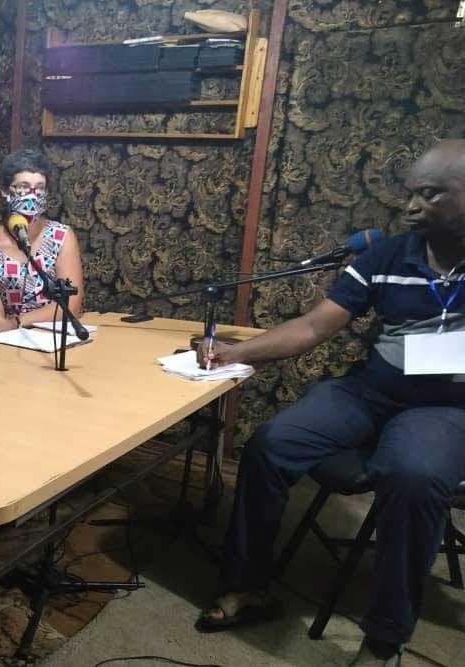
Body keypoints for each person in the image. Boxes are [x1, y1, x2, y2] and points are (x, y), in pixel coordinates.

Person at [194, 140, 465, 667]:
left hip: (445, 407)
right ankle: (248, 584)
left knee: (412, 476)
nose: (411, 208)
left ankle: (384, 638)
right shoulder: (388, 253)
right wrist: (232, 352)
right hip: (373, 389)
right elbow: (316, 325)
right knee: (272, 443)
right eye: (409, 194)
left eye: (430, 195)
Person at [0, 148, 85, 332]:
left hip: (57, 337)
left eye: (39, 188)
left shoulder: (61, 237)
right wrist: (13, 326)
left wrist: (18, 321)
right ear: (5, 191)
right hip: (10, 344)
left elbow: (71, 305)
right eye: (23, 187)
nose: (32, 195)